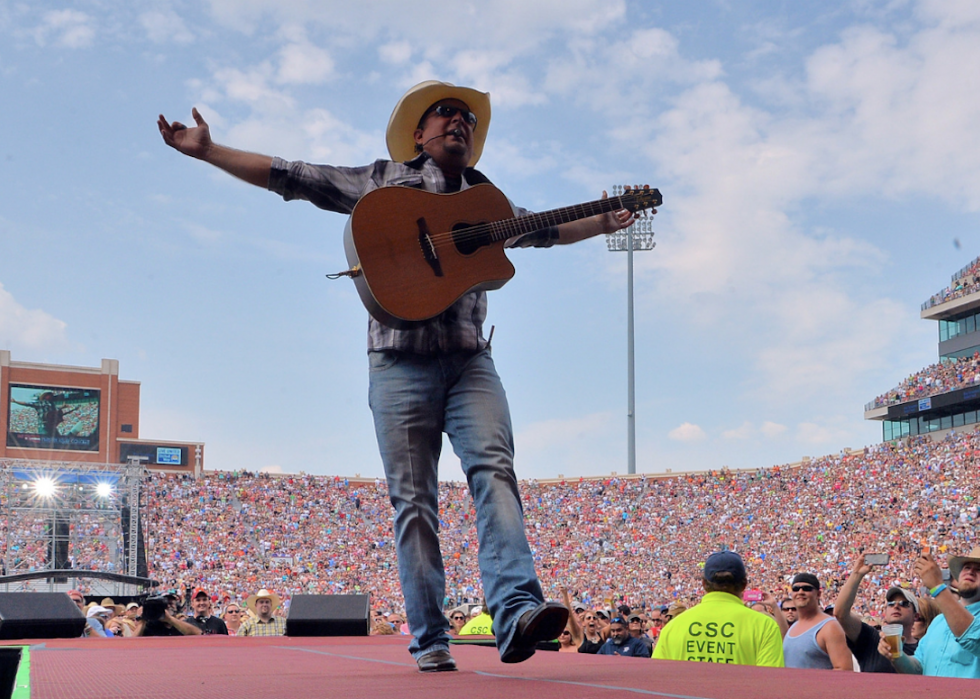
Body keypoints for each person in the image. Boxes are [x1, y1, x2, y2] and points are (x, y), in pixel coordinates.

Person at [158, 80, 638, 671]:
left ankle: (515, 611)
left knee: (495, 468)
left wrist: (604, 221)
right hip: (397, 361)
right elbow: (293, 175)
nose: (459, 122)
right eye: (446, 113)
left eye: (468, 118)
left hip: (468, 359)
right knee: (415, 503)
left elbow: (547, 229)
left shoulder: (489, 202)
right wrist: (210, 151)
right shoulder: (382, 181)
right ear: (419, 132)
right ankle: (431, 637)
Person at [652, 551, 784, 667]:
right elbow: (770, 684)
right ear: (744, 584)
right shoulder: (765, 626)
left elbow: (656, 679)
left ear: (703, 584)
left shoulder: (673, 627)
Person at [879, 547, 980, 678]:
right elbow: (919, 668)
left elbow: (972, 638)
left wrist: (937, 587)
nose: (971, 571)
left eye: (979, 569)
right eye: (966, 567)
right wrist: (897, 656)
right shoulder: (939, 621)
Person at [833, 553, 917, 673]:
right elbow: (841, 613)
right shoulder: (872, 639)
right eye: (891, 604)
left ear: (916, 615)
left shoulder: (923, 647)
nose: (896, 606)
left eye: (904, 604)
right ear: (885, 612)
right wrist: (857, 574)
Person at [782, 573, 852, 670]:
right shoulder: (793, 627)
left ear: (818, 594)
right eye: (796, 588)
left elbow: (844, 670)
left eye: (807, 589)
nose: (800, 592)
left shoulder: (830, 627)